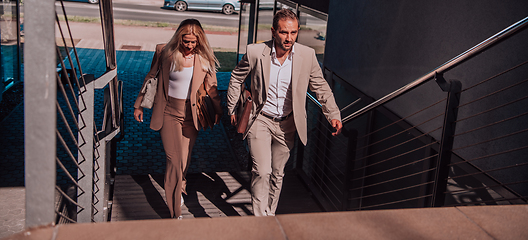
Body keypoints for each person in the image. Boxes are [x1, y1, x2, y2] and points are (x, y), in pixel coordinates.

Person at [226, 9, 342, 216]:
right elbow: (236, 77)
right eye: (284, 32)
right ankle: (260, 220)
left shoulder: (307, 56)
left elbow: (320, 86)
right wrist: (232, 106)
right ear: (273, 32)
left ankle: (270, 215)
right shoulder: (255, 52)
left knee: (277, 174)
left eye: (293, 33)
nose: (289, 38)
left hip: (288, 124)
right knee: (262, 171)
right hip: (260, 119)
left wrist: (333, 114)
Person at [133, 19, 222, 219]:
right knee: (173, 161)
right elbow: (150, 76)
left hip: (192, 115)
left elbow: (212, 88)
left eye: (193, 42)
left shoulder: (204, 58)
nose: (189, 46)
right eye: (186, 41)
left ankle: (180, 183)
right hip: (169, 112)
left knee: (184, 159)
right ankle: (175, 212)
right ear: (178, 37)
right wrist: (138, 104)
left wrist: (218, 111)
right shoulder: (165, 52)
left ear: (200, 41)